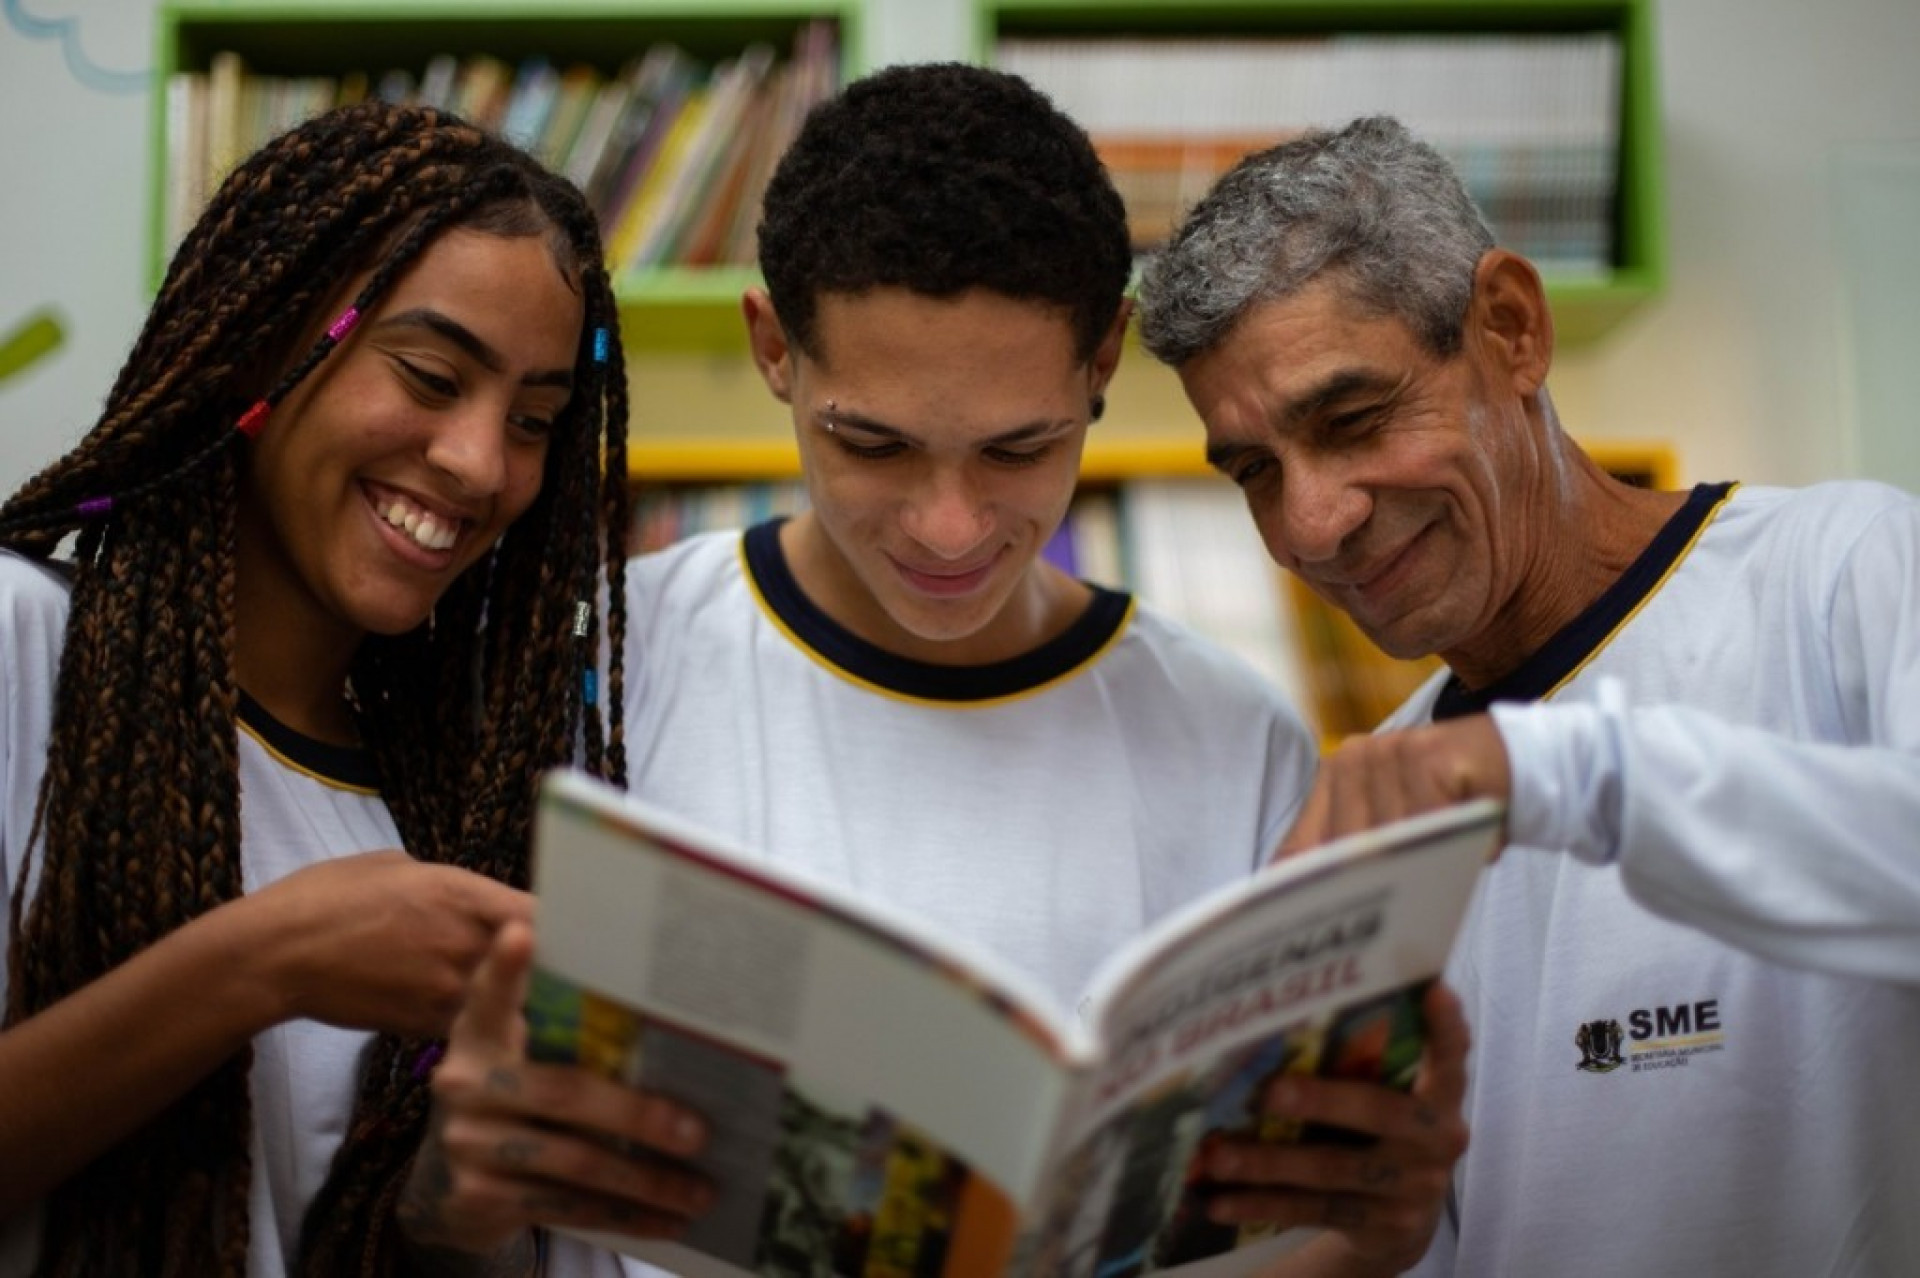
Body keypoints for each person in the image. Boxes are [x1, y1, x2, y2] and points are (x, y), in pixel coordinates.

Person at [412, 65, 1470, 1278]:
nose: (950, 528)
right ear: (775, 352)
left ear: (1105, 362)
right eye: (872, 444)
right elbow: (447, 1217)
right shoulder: (595, 670)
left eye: (1022, 449)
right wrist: (463, 1178)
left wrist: (1373, 1236)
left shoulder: (1232, 741)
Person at [1137, 113, 1920, 1275]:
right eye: (1256, 471)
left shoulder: (1844, 572)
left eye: (1351, 419)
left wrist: (1549, 773)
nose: (1310, 525)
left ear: (1511, 329)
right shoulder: (1378, 823)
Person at [0, 100, 705, 1277]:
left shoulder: (463, 796)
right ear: (266, 346)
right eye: (432, 376)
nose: (481, 464)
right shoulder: (26, 648)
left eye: (534, 422)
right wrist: (258, 962)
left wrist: (459, 1202)